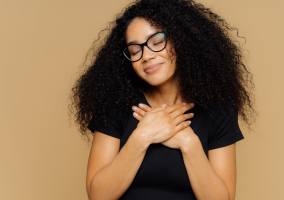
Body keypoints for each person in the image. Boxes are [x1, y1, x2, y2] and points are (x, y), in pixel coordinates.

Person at [70, 0, 256, 199]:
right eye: (134, 50)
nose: (146, 56)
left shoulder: (218, 108)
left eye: (157, 42)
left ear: (181, 39)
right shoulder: (115, 105)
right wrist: (142, 136)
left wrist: (189, 143)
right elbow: (98, 196)